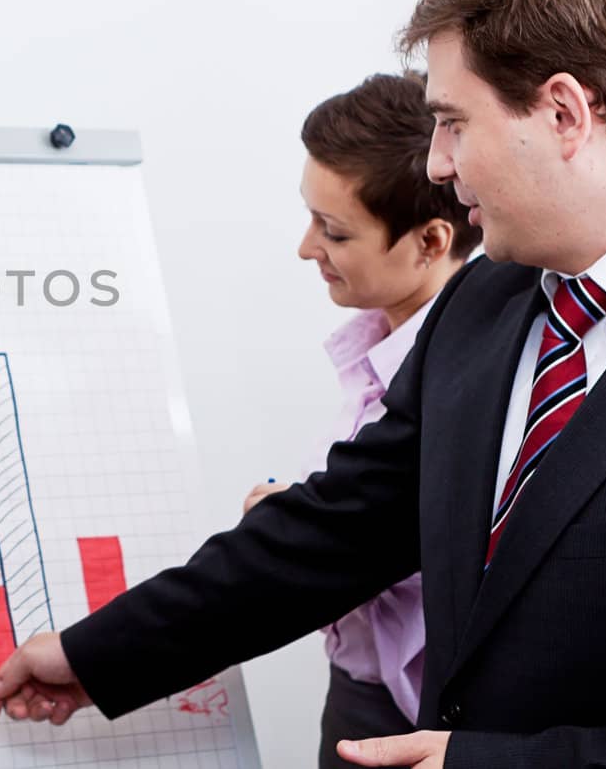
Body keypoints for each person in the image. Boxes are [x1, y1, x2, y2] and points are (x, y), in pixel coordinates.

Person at [0, 0, 606, 768]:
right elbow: (335, 531)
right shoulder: (484, 304)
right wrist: (98, 654)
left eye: (454, 124)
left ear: (565, 114)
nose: (435, 163)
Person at [239, 72, 478, 768]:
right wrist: (305, 519)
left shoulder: (478, 377)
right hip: (357, 685)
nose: (306, 248)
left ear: (432, 241)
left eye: (334, 231)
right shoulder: (372, 345)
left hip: (424, 715)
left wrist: (314, 531)